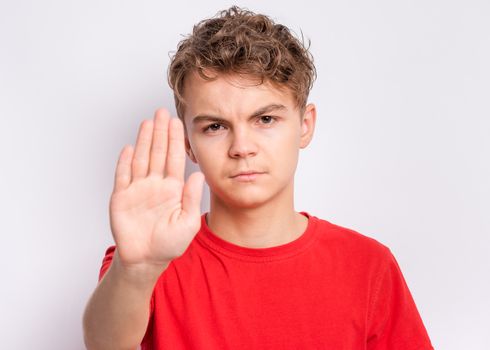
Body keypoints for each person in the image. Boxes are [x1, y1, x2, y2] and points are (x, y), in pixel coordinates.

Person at [82, 6, 434, 350]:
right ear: (189, 144)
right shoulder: (148, 256)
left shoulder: (367, 266)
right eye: (215, 126)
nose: (242, 147)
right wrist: (138, 270)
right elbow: (104, 344)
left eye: (265, 120)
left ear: (305, 125)